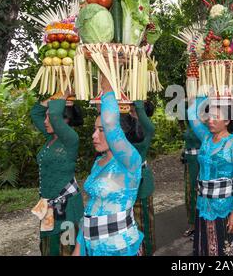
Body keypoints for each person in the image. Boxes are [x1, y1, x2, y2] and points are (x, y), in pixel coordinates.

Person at [73, 76, 143, 256]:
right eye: (95, 129)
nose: (94, 136)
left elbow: (111, 123)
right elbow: (92, 206)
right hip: (92, 247)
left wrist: (107, 85)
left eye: (101, 130)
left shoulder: (130, 162)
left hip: (120, 248)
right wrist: (79, 248)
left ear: (118, 134)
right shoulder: (99, 162)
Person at [188, 97, 233, 256]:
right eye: (209, 116)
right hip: (203, 205)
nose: (210, 120)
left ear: (227, 120)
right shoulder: (206, 138)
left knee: (225, 250)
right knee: (205, 247)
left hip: (225, 208)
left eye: (216, 116)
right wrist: (208, 96)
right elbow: (190, 113)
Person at [30, 91, 84, 256]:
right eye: (46, 118)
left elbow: (53, 113)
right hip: (49, 207)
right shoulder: (51, 137)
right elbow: (35, 112)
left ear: (64, 120)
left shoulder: (70, 140)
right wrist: (57, 96)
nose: (46, 121)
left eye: (49, 118)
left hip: (66, 208)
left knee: (66, 248)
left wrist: (64, 94)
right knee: (49, 248)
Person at [130, 100, 156, 256]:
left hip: (142, 182)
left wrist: (137, 97)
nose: (131, 115)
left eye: (134, 112)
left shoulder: (148, 129)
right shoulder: (127, 129)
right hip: (125, 182)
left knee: (144, 223)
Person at [181, 107, 202, 239]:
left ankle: (200, 226)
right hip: (189, 162)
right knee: (189, 193)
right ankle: (192, 224)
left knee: (198, 192)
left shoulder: (205, 124)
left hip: (199, 161)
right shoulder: (190, 122)